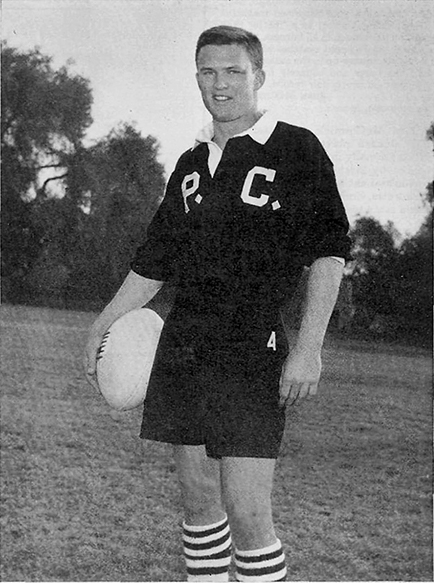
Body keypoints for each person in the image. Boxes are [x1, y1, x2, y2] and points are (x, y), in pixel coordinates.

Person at [84, 25, 351, 582]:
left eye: (233, 71)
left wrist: (308, 350)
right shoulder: (189, 163)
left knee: (249, 511)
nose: (219, 84)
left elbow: (328, 254)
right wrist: (100, 327)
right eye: (207, 72)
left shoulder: (296, 147)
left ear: (258, 76)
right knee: (199, 503)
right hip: (184, 344)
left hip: (253, 344)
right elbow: (153, 263)